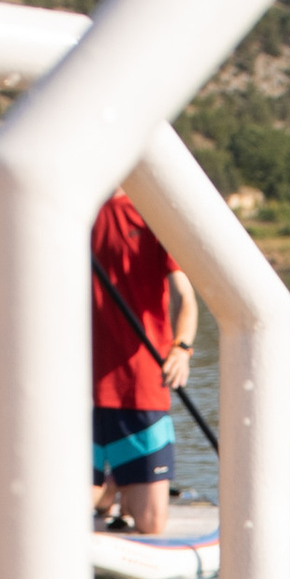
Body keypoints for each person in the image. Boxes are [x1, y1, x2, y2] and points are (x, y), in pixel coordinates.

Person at [91, 191, 197, 539]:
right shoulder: (75, 207)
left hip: (141, 386)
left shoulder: (154, 214)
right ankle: (109, 488)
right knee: (63, 514)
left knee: (151, 524)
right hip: (80, 388)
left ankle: (114, 483)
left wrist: (181, 348)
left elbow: (186, 298)